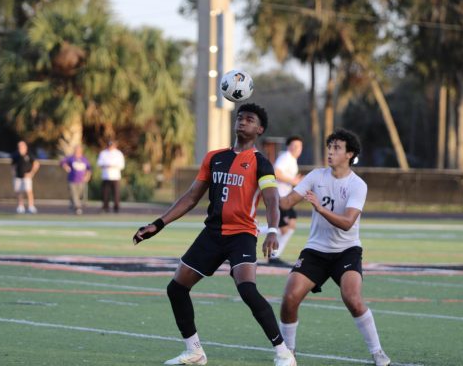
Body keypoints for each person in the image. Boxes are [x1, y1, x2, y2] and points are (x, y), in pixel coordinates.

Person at [133, 103, 296, 366]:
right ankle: (194, 351)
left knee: (247, 290)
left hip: (241, 235)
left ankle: (283, 352)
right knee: (176, 289)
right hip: (212, 234)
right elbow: (190, 197)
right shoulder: (214, 157)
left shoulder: (261, 163)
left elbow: (272, 200)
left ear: (259, 129)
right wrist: (158, 224)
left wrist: (273, 230)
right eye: (240, 117)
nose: (242, 122)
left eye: (249, 119)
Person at [277, 129, 391, 366]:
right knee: (289, 298)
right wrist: (264, 186)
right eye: (330, 146)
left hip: (346, 252)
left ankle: (378, 352)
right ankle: (288, 354)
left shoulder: (357, 185)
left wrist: (320, 209)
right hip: (316, 251)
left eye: (337, 147)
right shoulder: (316, 176)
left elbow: (348, 223)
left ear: (350, 154)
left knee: (352, 298)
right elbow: (286, 202)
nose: (330, 151)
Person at [270, 135, 303, 264]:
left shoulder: (293, 161)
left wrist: (297, 181)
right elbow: (276, 172)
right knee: (283, 228)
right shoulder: (286, 157)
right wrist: (294, 180)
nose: (296, 148)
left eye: (298, 146)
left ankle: (274, 255)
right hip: (279, 197)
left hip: (286, 199)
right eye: (293, 146)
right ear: (288, 147)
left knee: (291, 224)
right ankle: (254, 231)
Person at [60, 145, 92, 215]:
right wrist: (65, 166)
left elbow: (89, 169)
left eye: (79, 150)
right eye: (76, 150)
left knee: (78, 195)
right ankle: (78, 208)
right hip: (72, 180)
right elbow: (62, 162)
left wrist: (87, 176)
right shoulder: (71, 158)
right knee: (74, 194)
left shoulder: (84, 159)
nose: (77, 151)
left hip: (81, 180)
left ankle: (72, 206)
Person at [11, 140, 40, 214]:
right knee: (19, 192)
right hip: (18, 176)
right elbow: (13, 166)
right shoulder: (16, 155)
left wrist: (31, 173)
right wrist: (14, 174)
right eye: (19, 146)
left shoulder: (29, 154)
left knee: (28, 191)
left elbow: (36, 164)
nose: (21, 147)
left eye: (22, 146)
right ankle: (20, 206)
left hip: (27, 177)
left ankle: (31, 206)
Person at [96, 140, 125, 213]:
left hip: (115, 177)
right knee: (105, 193)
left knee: (116, 193)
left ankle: (116, 207)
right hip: (105, 176)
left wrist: (113, 165)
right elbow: (99, 163)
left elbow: (122, 165)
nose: (110, 147)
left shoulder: (118, 153)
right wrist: (106, 165)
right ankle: (105, 207)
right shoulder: (103, 153)